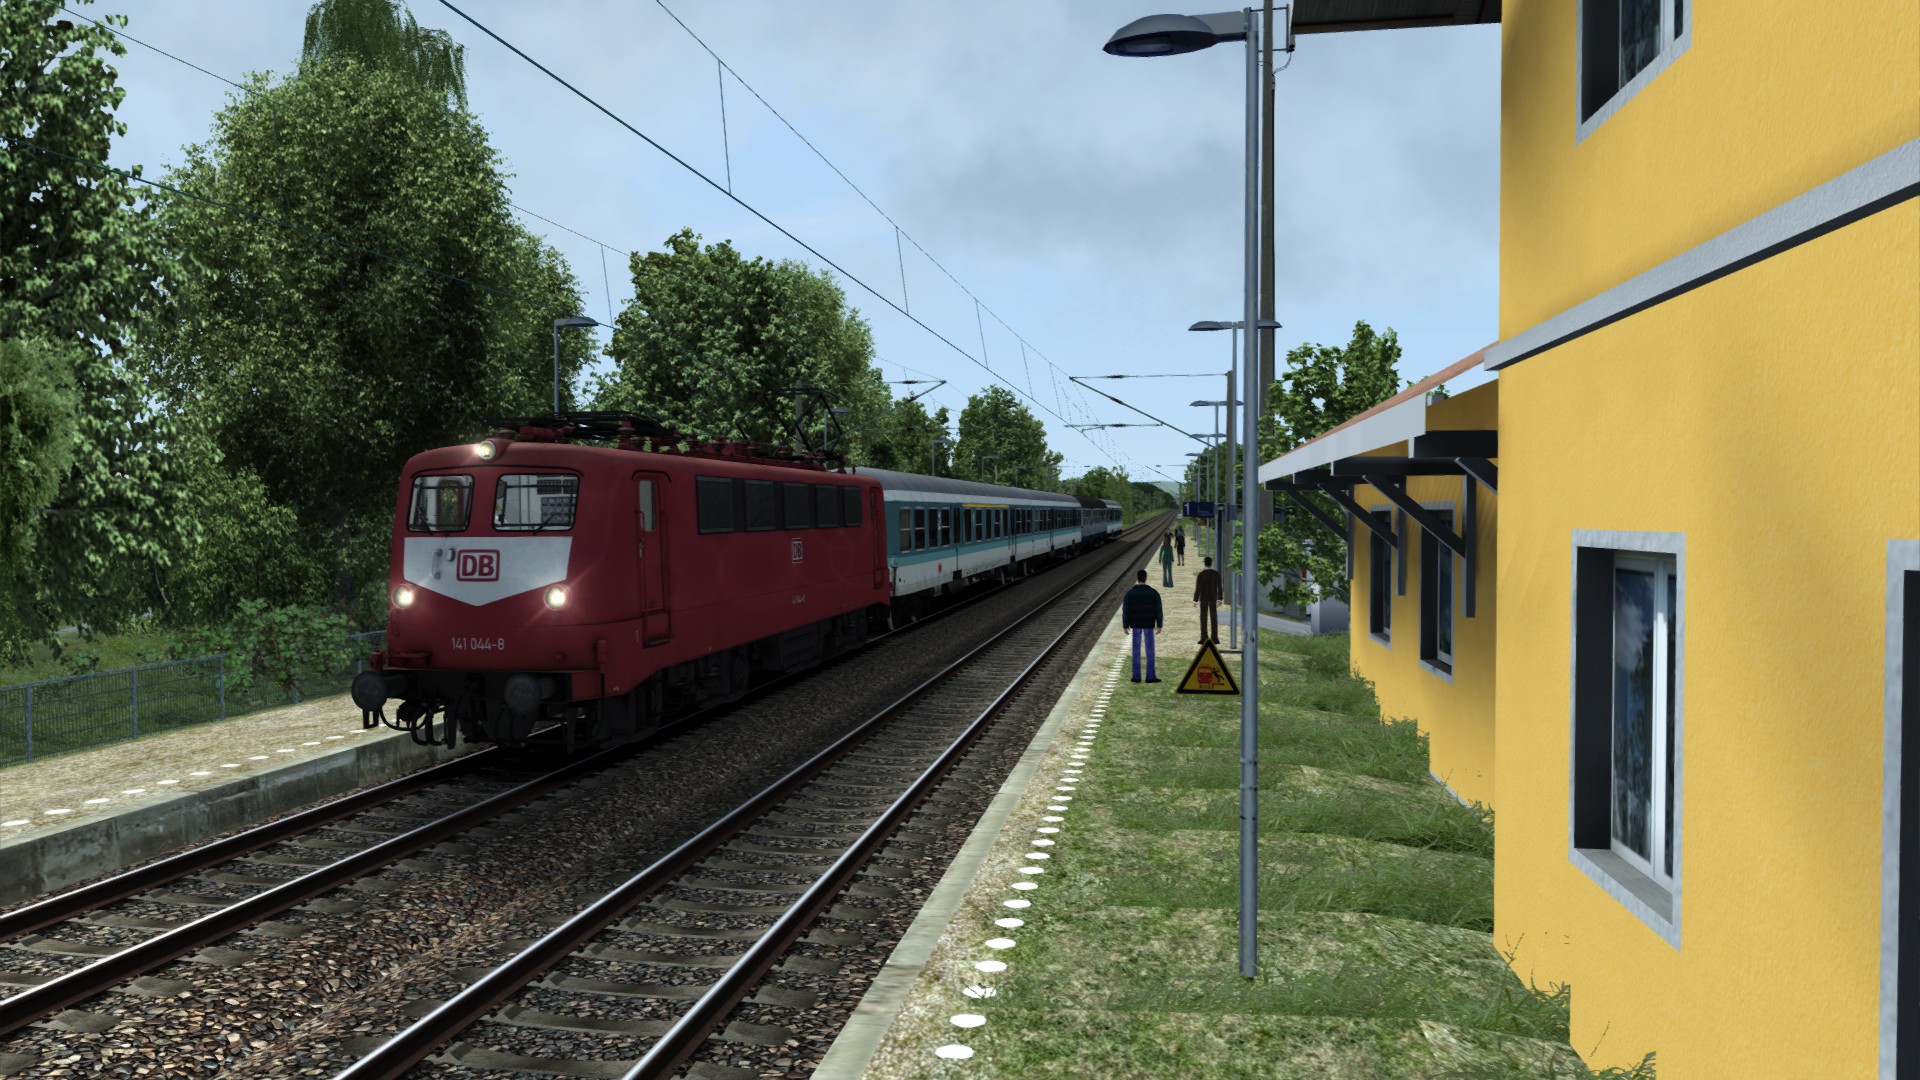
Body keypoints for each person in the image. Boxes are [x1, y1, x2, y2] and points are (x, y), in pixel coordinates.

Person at [1121, 568, 1163, 683]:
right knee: (1150, 650)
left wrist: (1125, 625)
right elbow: (1159, 610)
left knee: (1136, 650)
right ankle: (1150, 677)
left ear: (1137, 578)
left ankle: (1136, 677)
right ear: (1145, 578)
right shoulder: (1153, 593)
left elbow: (1125, 610)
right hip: (1149, 624)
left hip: (1136, 624)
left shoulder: (1130, 593)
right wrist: (1159, 624)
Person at [1194, 555, 1222, 644]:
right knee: (1214, 617)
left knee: (1203, 617)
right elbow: (1219, 587)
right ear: (1211, 563)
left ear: (1204, 563)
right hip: (1213, 598)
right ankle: (1215, 638)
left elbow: (1198, 588)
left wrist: (1195, 600)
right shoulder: (1216, 574)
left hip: (1204, 599)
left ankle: (1204, 637)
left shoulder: (1201, 575)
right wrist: (1220, 599)